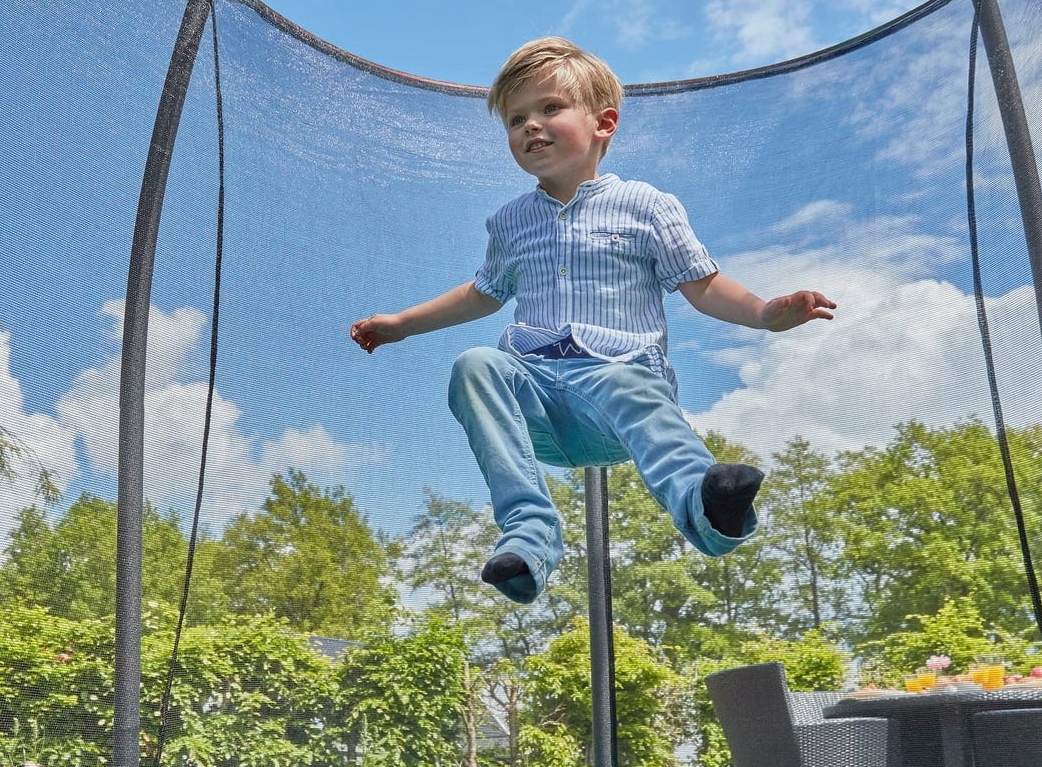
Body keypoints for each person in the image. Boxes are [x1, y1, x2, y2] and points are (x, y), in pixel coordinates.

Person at [350, 37, 835, 604]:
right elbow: (482, 294)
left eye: (550, 108)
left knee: (626, 381)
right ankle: (528, 538)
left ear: (603, 123)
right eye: (516, 119)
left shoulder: (647, 205)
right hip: (538, 402)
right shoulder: (510, 222)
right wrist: (403, 324)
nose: (531, 126)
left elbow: (702, 285)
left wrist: (764, 314)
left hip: (614, 400)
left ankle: (704, 507)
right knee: (475, 364)